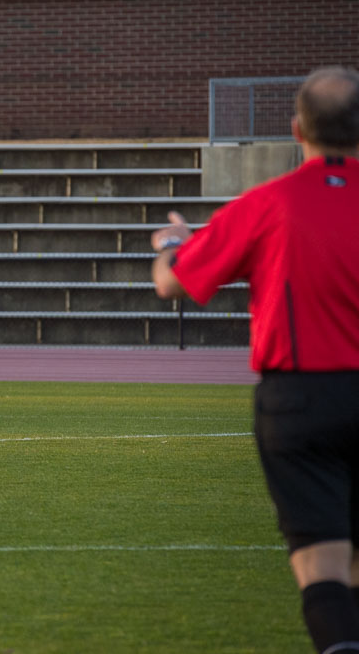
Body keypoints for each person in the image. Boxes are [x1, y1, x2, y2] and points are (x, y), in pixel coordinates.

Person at [151, 66, 359, 654]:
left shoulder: (269, 204)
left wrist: (173, 243)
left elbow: (175, 284)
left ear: (297, 130)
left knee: (323, 564)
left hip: (300, 401)